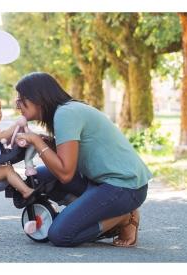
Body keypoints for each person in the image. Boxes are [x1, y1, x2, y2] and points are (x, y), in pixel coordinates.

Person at [14, 72, 152, 247]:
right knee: (39, 178)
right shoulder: (66, 111)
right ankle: (90, 213)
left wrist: (36, 140)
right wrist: (47, 143)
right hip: (101, 182)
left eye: (21, 99)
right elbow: (72, 156)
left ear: (38, 97)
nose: (18, 105)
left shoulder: (66, 114)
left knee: (60, 234)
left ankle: (124, 217)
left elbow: (65, 173)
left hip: (125, 187)